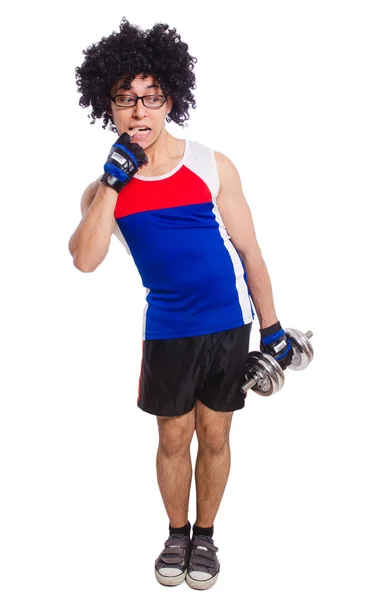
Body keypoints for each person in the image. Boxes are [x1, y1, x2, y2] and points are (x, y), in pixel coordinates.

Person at [69, 18, 294, 590]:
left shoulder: (209, 163)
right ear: (110, 108)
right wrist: (111, 186)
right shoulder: (104, 192)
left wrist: (271, 329)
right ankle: (176, 534)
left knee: (215, 435)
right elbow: (85, 259)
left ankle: (207, 537)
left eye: (150, 98)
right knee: (173, 437)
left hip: (227, 323)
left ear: (170, 98)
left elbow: (250, 251)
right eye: (125, 100)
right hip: (167, 328)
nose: (138, 112)